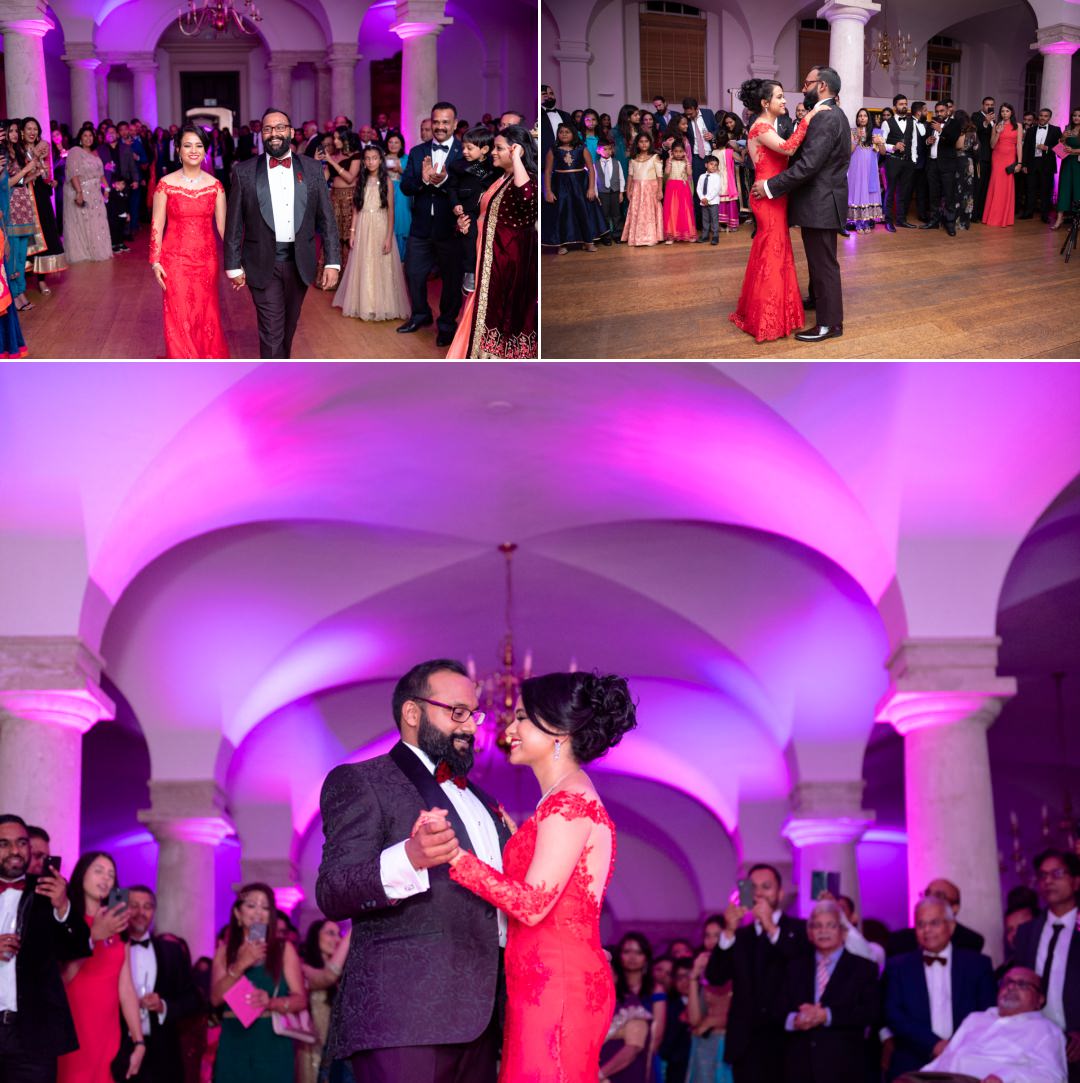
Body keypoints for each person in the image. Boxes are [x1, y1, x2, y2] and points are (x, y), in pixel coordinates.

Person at [315, 658, 511, 1082]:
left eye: (473, 714)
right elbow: (332, 890)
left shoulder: (484, 801)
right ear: (412, 713)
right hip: (403, 1018)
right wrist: (409, 857)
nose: (471, 727)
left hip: (481, 1020)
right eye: (456, 712)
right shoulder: (362, 781)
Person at [446, 670, 637, 1083]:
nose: (509, 729)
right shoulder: (558, 800)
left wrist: (454, 858)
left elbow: (532, 905)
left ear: (558, 732)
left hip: (557, 987)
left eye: (521, 718)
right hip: (540, 982)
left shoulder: (569, 803)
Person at [224, 108, 341, 359]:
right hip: (261, 261)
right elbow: (234, 222)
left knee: (288, 327)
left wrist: (332, 261)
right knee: (272, 331)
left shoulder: (311, 168)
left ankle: (281, 372)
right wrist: (233, 265)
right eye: (267, 129)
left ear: (290, 132)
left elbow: (326, 218)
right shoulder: (244, 171)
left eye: (279, 128)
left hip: (300, 262)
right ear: (261, 135)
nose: (273, 133)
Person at [750, 66, 852, 343]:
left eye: (807, 83)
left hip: (820, 202)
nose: (803, 87)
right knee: (819, 260)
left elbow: (808, 165)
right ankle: (820, 299)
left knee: (823, 264)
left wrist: (771, 186)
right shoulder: (829, 114)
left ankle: (830, 324)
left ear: (820, 86)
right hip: (820, 200)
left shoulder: (827, 117)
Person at [0, 814, 92, 1081]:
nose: (15, 850)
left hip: (32, 1035)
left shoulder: (48, 895)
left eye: (21, 842)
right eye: (4, 844)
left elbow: (79, 945)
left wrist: (63, 907)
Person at [705, 862, 811, 1083]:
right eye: (753, 887)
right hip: (746, 1043)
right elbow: (715, 977)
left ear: (780, 894)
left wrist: (771, 928)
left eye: (766, 887)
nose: (759, 893)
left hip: (788, 1040)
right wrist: (728, 931)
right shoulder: (740, 936)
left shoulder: (800, 930)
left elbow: (800, 967)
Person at [730, 78, 817, 343]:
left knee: (775, 251)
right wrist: (809, 116)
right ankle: (767, 319)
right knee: (771, 253)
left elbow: (786, 153)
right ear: (765, 103)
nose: (784, 101)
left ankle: (777, 312)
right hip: (767, 198)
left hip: (773, 194)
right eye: (780, 97)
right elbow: (789, 147)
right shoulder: (760, 127)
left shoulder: (766, 125)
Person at [446, 125, 537, 359]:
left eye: (499, 148)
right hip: (488, 254)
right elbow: (485, 212)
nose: (494, 153)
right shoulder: (502, 177)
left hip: (506, 259)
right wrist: (465, 223)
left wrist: (516, 157)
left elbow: (527, 198)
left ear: (517, 151)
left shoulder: (526, 179)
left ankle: (492, 357)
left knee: (500, 309)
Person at [882, 896, 996, 1080]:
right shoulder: (898, 966)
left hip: (967, 1059)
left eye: (934, 923)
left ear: (951, 927)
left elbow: (987, 1013)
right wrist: (933, 1044)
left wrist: (956, 1047)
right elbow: (893, 1014)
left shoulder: (978, 964)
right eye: (920, 924)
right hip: (913, 1061)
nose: (927, 930)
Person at [57, 851, 147, 1083]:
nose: (105, 879)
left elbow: (125, 987)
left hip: (106, 1033)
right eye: (98, 871)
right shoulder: (66, 921)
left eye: (111, 875)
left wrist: (138, 1041)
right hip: (73, 1029)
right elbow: (61, 979)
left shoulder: (119, 927)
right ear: (81, 874)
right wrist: (93, 936)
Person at [209, 883, 307, 1083]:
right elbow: (215, 999)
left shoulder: (283, 949)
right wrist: (241, 964)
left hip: (271, 1041)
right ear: (238, 913)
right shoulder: (224, 952)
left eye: (265, 907)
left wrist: (271, 1002)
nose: (258, 913)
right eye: (251, 905)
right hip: (234, 1039)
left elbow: (300, 1000)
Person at [149, 124, 228, 359]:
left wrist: (237, 261)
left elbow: (223, 228)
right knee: (178, 315)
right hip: (174, 261)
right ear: (178, 150)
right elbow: (157, 224)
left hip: (207, 261)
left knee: (206, 314)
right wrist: (155, 261)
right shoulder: (165, 184)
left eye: (199, 145)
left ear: (205, 151)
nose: (193, 150)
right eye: (187, 145)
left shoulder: (216, 186)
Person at [110, 885, 204, 1083]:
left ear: (154, 911)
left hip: (162, 1052)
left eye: (147, 907)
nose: (140, 912)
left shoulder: (172, 952)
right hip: (116, 1047)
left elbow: (193, 1000)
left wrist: (163, 1006)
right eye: (133, 906)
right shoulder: (109, 949)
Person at [779, 899, 879, 1083]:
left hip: (845, 1068)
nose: (823, 931)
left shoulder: (864, 968)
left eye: (831, 926)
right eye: (817, 926)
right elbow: (778, 1010)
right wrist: (795, 1020)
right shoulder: (794, 968)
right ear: (809, 933)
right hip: (800, 1068)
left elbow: (871, 1013)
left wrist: (826, 1015)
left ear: (843, 932)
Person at [913, 966, 1067, 1083]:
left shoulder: (1045, 1030)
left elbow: (1053, 1077)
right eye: (1007, 982)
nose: (1011, 987)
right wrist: (916, 1077)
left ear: (1040, 999)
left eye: (1022, 984)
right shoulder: (975, 1019)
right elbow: (946, 1058)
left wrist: (1005, 1077)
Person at [397, 101, 465, 347]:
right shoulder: (417, 152)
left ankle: (447, 324)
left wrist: (445, 180)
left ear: (454, 124)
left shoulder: (464, 152)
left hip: (451, 228)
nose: (440, 126)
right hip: (421, 226)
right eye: (436, 122)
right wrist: (423, 181)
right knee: (413, 273)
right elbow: (405, 187)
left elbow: (467, 190)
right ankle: (421, 314)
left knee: (451, 279)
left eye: (445, 122)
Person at [1013, 848, 1080, 1081]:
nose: (1048, 881)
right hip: (1033, 1043)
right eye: (1043, 876)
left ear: (1076, 881)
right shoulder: (1026, 933)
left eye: (1057, 874)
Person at [331, 144, 410, 322]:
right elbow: (356, 208)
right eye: (367, 159)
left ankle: (384, 305)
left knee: (381, 264)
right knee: (364, 263)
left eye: (374, 158)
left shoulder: (387, 182)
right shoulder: (361, 180)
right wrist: (352, 231)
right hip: (364, 226)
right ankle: (366, 304)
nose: (370, 161)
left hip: (381, 225)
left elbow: (390, 211)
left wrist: (389, 236)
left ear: (380, 160)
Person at [297, 920, 351, 1083]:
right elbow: (327, 976)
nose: (337, 939)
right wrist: (351, 933)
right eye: (330, 933)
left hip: (336, 1048)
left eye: (339, 935)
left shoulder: (343, 975)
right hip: (314, 1048)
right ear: (315, 936)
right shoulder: (303, 969)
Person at [446, 126, 498, 291]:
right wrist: (455, 204)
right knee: (470, 235)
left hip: (487, 210)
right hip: (467, 209)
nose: (465, 151)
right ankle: (470, 272)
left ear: (484, 149)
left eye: (469, 148)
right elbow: (451, 188)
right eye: (463, 147)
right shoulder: (458, 166)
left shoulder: (494, 166)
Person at [542, 122, 607, 254]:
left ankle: (588, 241)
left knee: (583, 212)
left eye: (567, 132)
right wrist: (548, 191)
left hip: (580, 185)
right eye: (561, 132)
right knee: (562, 213)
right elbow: (548, 171)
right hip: (560, 186)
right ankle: (562, 244)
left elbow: (591, 169)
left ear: (573, 134)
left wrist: (591, 188)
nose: (564, 134)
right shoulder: (553, 149)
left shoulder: (581, 148)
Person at [21, 117, 68, 289]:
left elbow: (43, 176)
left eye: (35, 129)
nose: (32, 132)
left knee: (46, 237)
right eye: (29, 129)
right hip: (25, 200)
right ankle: (22, 282)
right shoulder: (19, 152)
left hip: (41, 198)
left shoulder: (42, 149)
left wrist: (50, 183)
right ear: (22, 131)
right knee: (28, 239)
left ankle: (41, 280)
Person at [887, 880, 987, 956]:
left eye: (939, 896)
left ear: (954, 908)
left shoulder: (971, 941)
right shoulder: (898, 941)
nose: (930, 899)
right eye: (927, 894)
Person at [64, 127, 113, 263]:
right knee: (85, 222)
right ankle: (86, 251)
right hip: (83, 191)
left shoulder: (95, 153)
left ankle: (96, 250)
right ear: (80, 138)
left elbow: (101, 174)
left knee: (98, 222)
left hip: (96, 193)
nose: (88, 138)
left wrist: (107, 189)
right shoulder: (75, 152)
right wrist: (79, 193)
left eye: (90, 135)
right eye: (85, 136)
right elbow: (73, 174)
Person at [319, 127, 363, 270]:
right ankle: (331, 274)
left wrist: (331, 161)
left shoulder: (356, 156)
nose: (335, 141)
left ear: (346, 139)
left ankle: (347, 276)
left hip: (349, 199)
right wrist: (316, 162)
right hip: (334, 199)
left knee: (347, 236)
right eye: (334, 138)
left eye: (338, 138)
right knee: (333, 235)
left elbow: (350, 178)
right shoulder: (334, 156)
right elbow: (322, 179)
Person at [982, 103, 1022, 228]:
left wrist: (1019, 162)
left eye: (1007, 111)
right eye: (1003, 111)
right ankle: (993, 216)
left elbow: (1019, 144)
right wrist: (998, 132)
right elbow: (992, 145)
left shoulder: (1018, 126)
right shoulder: (996, 125)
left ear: (1012, 112)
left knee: (1007, 185)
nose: (1005, 113)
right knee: (996, 184)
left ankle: (1005, 217)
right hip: (997, 157)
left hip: (1010, 157)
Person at [621, 132, 664, 246]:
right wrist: (628, 189)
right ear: (637, 144)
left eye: (646, 141)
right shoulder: (633, 159)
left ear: (650, 143)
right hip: (637, 190)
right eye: (641, 142)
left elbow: (660, 176)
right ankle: (638, 237)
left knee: (649, 212)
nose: (644, 144)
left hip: (651, 190)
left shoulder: (655, 157)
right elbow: (630, 176)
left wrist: (660, 190)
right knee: (638, 212)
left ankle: (651, 237)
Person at [1021, 108, 1062, 222]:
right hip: (1032, 163)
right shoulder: (1031, 130)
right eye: (1041, 115)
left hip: (1047, 164)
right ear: (1038, 116)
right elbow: (1026, 148)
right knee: (1030, 189)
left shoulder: (1056, 130)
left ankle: (1045, 215)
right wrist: (1024, 164)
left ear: (1049, 118)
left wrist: (1047, 148)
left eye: (1046, 116)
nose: (1043, 118)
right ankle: (1028, 212)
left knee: (1046, 190)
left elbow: (1060, 149)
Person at [847, 108, 883, 232]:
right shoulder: (853, 131)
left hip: (870, 169)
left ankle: (866, 222)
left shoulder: (875, 133)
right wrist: (857, 139)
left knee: (868, 193)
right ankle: (857, 223)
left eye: (865, 116)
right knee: (858, 191)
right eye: (860, 116)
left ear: (868, 118)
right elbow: (849, 152)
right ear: (857, 119)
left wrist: (881, 142)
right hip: (856, 168)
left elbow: (882, 152)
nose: (862, 118)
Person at [383, 131, 412, 258]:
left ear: (401, 144)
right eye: (390, 142)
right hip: (384, 191)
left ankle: (401, 259)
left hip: (401, 193)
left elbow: (412, 178)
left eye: (396, 142)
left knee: (401, 222)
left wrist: (400, 170)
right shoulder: (381, 157)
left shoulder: (406, 158)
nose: (393, 145)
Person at [1052, 106, 1080, 229]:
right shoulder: (1067, 129)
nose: (1076, 118)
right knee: (1064, 189)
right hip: (1067, 163)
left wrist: (1073, 150)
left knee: (1077, 191)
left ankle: (1077, 220)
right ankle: (1059, 219)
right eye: (1074, 115)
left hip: (1078, 164)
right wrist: (1063, 138)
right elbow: (1061, 147)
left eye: (1079, 116)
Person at [663, 141, 696, 243]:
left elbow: (690, 173)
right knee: (672, 210)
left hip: (683, 188)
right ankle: (671, 235)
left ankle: (687, 234)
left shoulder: (685, 162)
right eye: (675, 151)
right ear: (672, 152)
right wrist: (669, 158)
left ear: (684, 152)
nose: (678, 153)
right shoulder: (669, 161)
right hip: (672, 188)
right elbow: (667, 172)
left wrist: (687, 160)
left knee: (684, 210)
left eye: (681, 151)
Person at [594, 138, 626, 243]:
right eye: (604, 149)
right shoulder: (596, 165)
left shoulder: (617, 163)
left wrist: (621, 192)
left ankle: (617, 235)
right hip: (602, 193)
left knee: (616, 214)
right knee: (605, 215)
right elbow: (594, 181)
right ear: (598, 151)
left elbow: (621, 177)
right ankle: (606, 237)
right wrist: (596, 195)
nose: (607, 151)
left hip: (615, 192)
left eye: (609, 149)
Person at [972, 96, 997, 220]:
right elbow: (975, 130)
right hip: (980, 157)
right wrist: (986, 122)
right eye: (987, 104)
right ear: (983, 105)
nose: (989, 106)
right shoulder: (976, 116)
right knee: (978, 186)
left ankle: (982, 213)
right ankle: (974, 214)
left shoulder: (995, 120)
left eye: (991, 104)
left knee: (986, 187)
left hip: (992, 158)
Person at [697, 153, 724, 243]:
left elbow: (716, 190)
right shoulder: (701, 176)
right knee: (705, 219)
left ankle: (715, 236)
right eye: (711, 164)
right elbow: (699, 188)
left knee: (714, 219)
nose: (713, 167)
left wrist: (707, 198)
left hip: (713, 202)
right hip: (703, 202)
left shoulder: (717, 177)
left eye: (716, 165)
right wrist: (702, 198)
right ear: (706, 165)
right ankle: (705, 235)